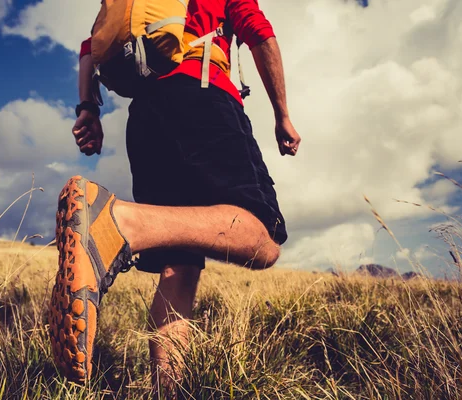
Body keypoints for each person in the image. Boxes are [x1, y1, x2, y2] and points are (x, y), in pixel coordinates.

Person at [48, 0, 301, 391]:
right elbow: (259, 32)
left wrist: (88, 110)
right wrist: (282, 113)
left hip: (145, 117)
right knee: (263, 239)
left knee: (178, 269)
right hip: (204, 95)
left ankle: (171, 391)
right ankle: (119, 222)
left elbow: (90, 47)